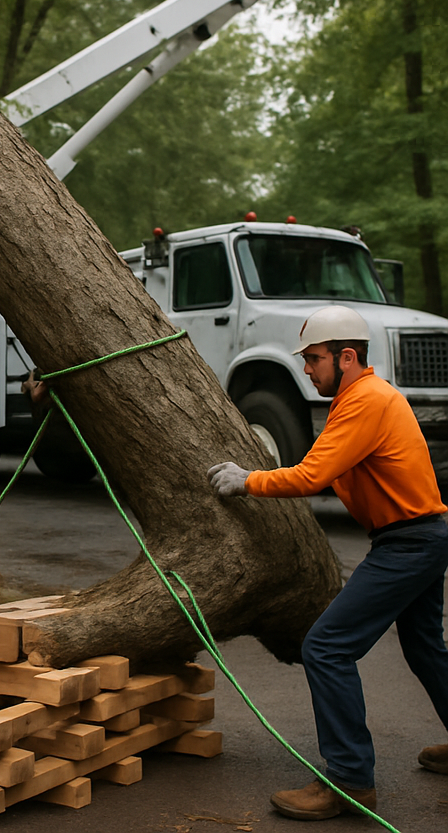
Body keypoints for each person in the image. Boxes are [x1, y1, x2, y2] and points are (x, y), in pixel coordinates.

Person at [208, 304, 448, 821]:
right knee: (426, 648)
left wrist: (247, 480)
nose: (306, 369)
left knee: (327, 646)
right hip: (419, 537)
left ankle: (350, 781)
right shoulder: (359, 399)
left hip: (409, 542)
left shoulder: (365, 400)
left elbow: (313, 475)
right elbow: (329, 467)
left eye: (313, 359)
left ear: (346, 357)